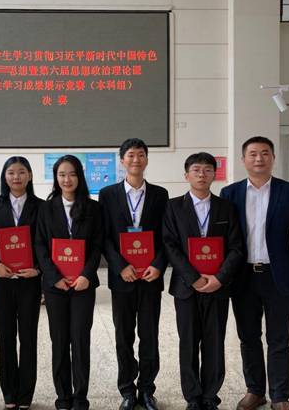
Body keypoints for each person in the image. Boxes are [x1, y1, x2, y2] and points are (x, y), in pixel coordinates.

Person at [220, 136, 289, 410]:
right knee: (248, 336)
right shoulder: (230, 193)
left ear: (273, 157)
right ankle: (255, 390)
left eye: (264, 153)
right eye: (252, 154)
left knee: (279, 339)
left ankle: (280, 395)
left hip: (279, 276)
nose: (258, 158)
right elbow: (223, 238)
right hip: (243, 277)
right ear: (243, 160)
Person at [163, 152, 244, 410]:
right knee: (188, 342)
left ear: (214, 175)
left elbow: (236, 248)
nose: (202, 174)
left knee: (214, 342)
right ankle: (192, 397)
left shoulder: (226, 207)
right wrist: (194, 278)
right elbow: (170, 245)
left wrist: (219, 278)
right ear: (186, 175)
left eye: (208, 169)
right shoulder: (173, 207)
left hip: (217, 288)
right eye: (196, 170)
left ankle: (210, 396)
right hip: (186, 287)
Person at [98, 138, 169, 410]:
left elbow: (166, 236)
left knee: (149, 335)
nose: (136, 159)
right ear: (122, 160)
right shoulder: (107, 194)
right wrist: (120, 266)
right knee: (124, 336)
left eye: (141, 155)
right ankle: (127, 390)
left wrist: (158, 265)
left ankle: (147, 390)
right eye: (130, 155)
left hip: (150, 277)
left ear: (147, 159)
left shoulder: (160, 195)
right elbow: (104, 237)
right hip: (122, 278)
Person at [35, 155, 103, 410]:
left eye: (72, 174)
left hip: (83, 285)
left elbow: (97, 245)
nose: (67, 179)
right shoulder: (46, 208)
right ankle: (63, 396)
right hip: (56, 286)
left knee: (80, 340)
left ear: (80, 177)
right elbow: (40, 245)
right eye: (62, 174)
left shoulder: (93, 208)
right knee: (60, 341)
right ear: (56, 178)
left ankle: (80, 397)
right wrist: (54, 278)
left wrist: (86, 274)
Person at [0, 156, 44, 410]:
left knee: (28, 338)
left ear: (29, 176)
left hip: (29, 281)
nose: (16, 177)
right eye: (11, 172)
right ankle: (9, 395)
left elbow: (46, 243)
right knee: (6, 338)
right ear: (5, 176)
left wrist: (38, 269)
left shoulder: (41, 206)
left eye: (21, 172)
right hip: (3, 282)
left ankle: (25, 396)